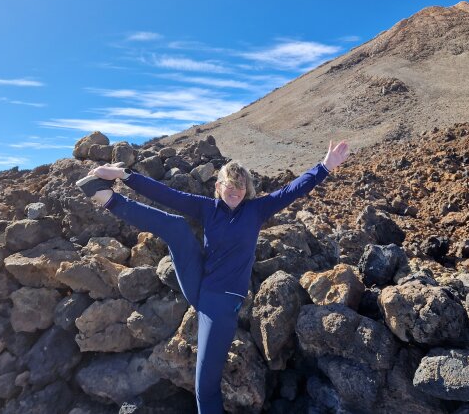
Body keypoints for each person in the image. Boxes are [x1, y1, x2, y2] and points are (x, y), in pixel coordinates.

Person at [76, 140, 350, 414]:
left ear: (247, 190)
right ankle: (106, 197)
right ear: (218, 186)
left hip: (221, 306)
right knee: (176, 226)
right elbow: (167, 195)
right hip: (199, 282)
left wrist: (325, 166)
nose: (235, 190)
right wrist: (125, 176)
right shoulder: (209, 208)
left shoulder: (256, 211)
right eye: (229, 184)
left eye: (241, 185)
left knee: (205, 386)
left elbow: (292, 189)